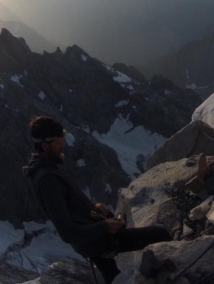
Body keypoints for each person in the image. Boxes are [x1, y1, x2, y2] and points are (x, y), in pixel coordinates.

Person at [23, 116, 172, 283]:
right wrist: (105, 226)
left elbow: (70, 208)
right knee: (161, 233)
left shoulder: (45, 172)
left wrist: (93, 207)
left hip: (90, 240)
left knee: (112, 276)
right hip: (96, 240)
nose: (62, 146)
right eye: (58, 142)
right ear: (45, 146)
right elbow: (67, 232)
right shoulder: (47, 179)